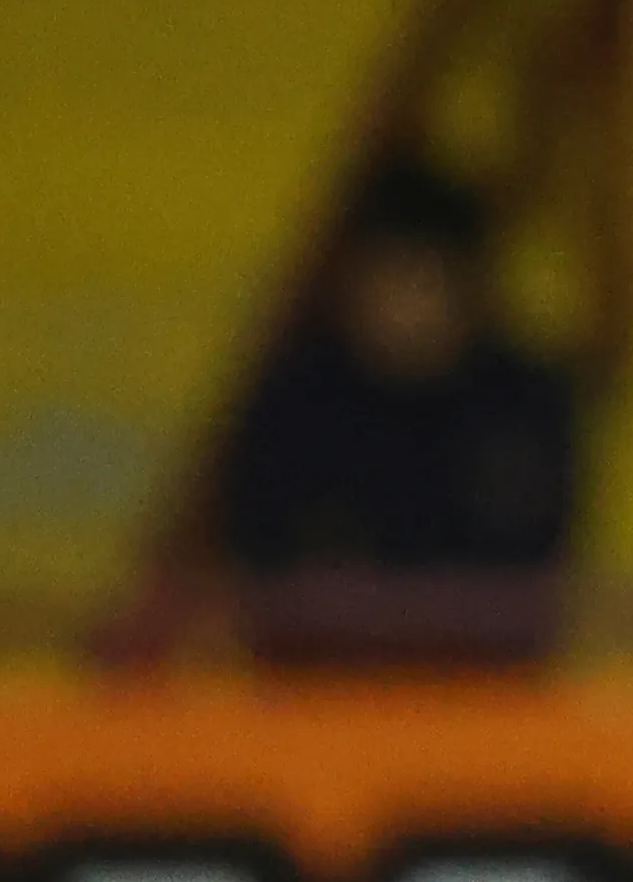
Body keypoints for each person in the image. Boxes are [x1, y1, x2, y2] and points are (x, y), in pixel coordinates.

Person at [218, 148, 580, 663]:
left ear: (470, 290)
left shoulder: (522, 404)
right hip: (322, 702)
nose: (406, 307)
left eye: (425, 282)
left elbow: (532, 576)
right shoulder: (297, 404)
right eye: (390, 279)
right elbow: (267, 572)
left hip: (484, 704)